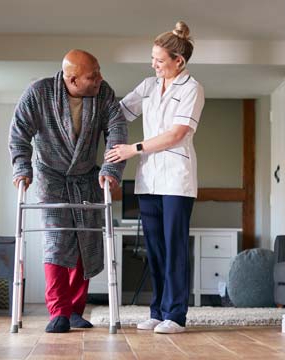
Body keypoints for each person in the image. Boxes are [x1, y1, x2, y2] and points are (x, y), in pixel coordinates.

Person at [8, 49, 127, 333]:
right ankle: (58, 311)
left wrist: (110, 171)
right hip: (51, 176)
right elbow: (19, 133)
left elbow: (117, 130)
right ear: (71, 80)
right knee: (56, 239)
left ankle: (75, 310)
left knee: (85, 241)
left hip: (86, 176)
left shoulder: (104, 94)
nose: (100, 78)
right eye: (92, 75)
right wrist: (22, 168)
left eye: (99, 71)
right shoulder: (39, 93)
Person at [105, 21, 204, 334]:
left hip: (177, 179)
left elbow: (176, 134)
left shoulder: (192, 89)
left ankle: (176, 315)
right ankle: (158, 310)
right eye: (153, 59)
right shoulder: (148, 86)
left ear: (179, 61)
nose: (154, 65)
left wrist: (132, 148)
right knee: (155, 248)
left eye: (160, 60)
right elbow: (119, 112)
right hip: (148, 179)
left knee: (175, 247)